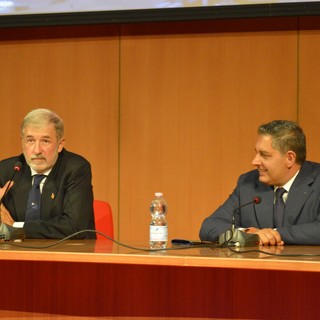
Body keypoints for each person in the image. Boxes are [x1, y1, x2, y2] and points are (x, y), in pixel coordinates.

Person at [199, 120, 320, 246]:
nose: (255, 161)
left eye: (264, 155)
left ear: (289, 158)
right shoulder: (248, 183)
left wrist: (274, 234)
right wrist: (247, 234)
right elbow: (209, 226)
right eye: (256, 153)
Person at [0, 108, 96, 239]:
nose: (37, 150)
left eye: (45, 141)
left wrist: (15, 227)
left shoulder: (76, 169)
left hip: (67, 254)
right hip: (15, 254)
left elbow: (74, 226)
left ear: (60, 144)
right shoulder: (7, 171)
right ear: (22, 142)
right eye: (30, 140)